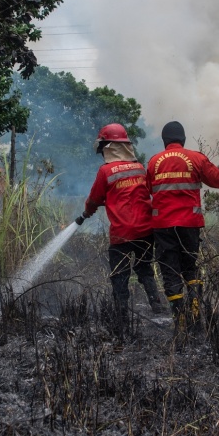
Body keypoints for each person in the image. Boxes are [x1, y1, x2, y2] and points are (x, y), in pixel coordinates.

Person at [146, 121, 219, 335]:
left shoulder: (153, 162)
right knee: (189, 269)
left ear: (164, 141)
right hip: (189, 225)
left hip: (163, 226)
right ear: (183, 140)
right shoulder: (196, 158)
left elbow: (146, 192)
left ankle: (180, 322)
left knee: (170, 273)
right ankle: (195, 318)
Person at [80, 123, 166, 333]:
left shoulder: (106, 171)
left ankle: (122, 315)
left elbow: (94, 199)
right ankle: (156, 302)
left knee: (120, 275)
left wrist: (87, 212)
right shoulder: (139, 167)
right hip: (146, 231)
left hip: (122, 233)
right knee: (145, 268)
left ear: (108, 148)